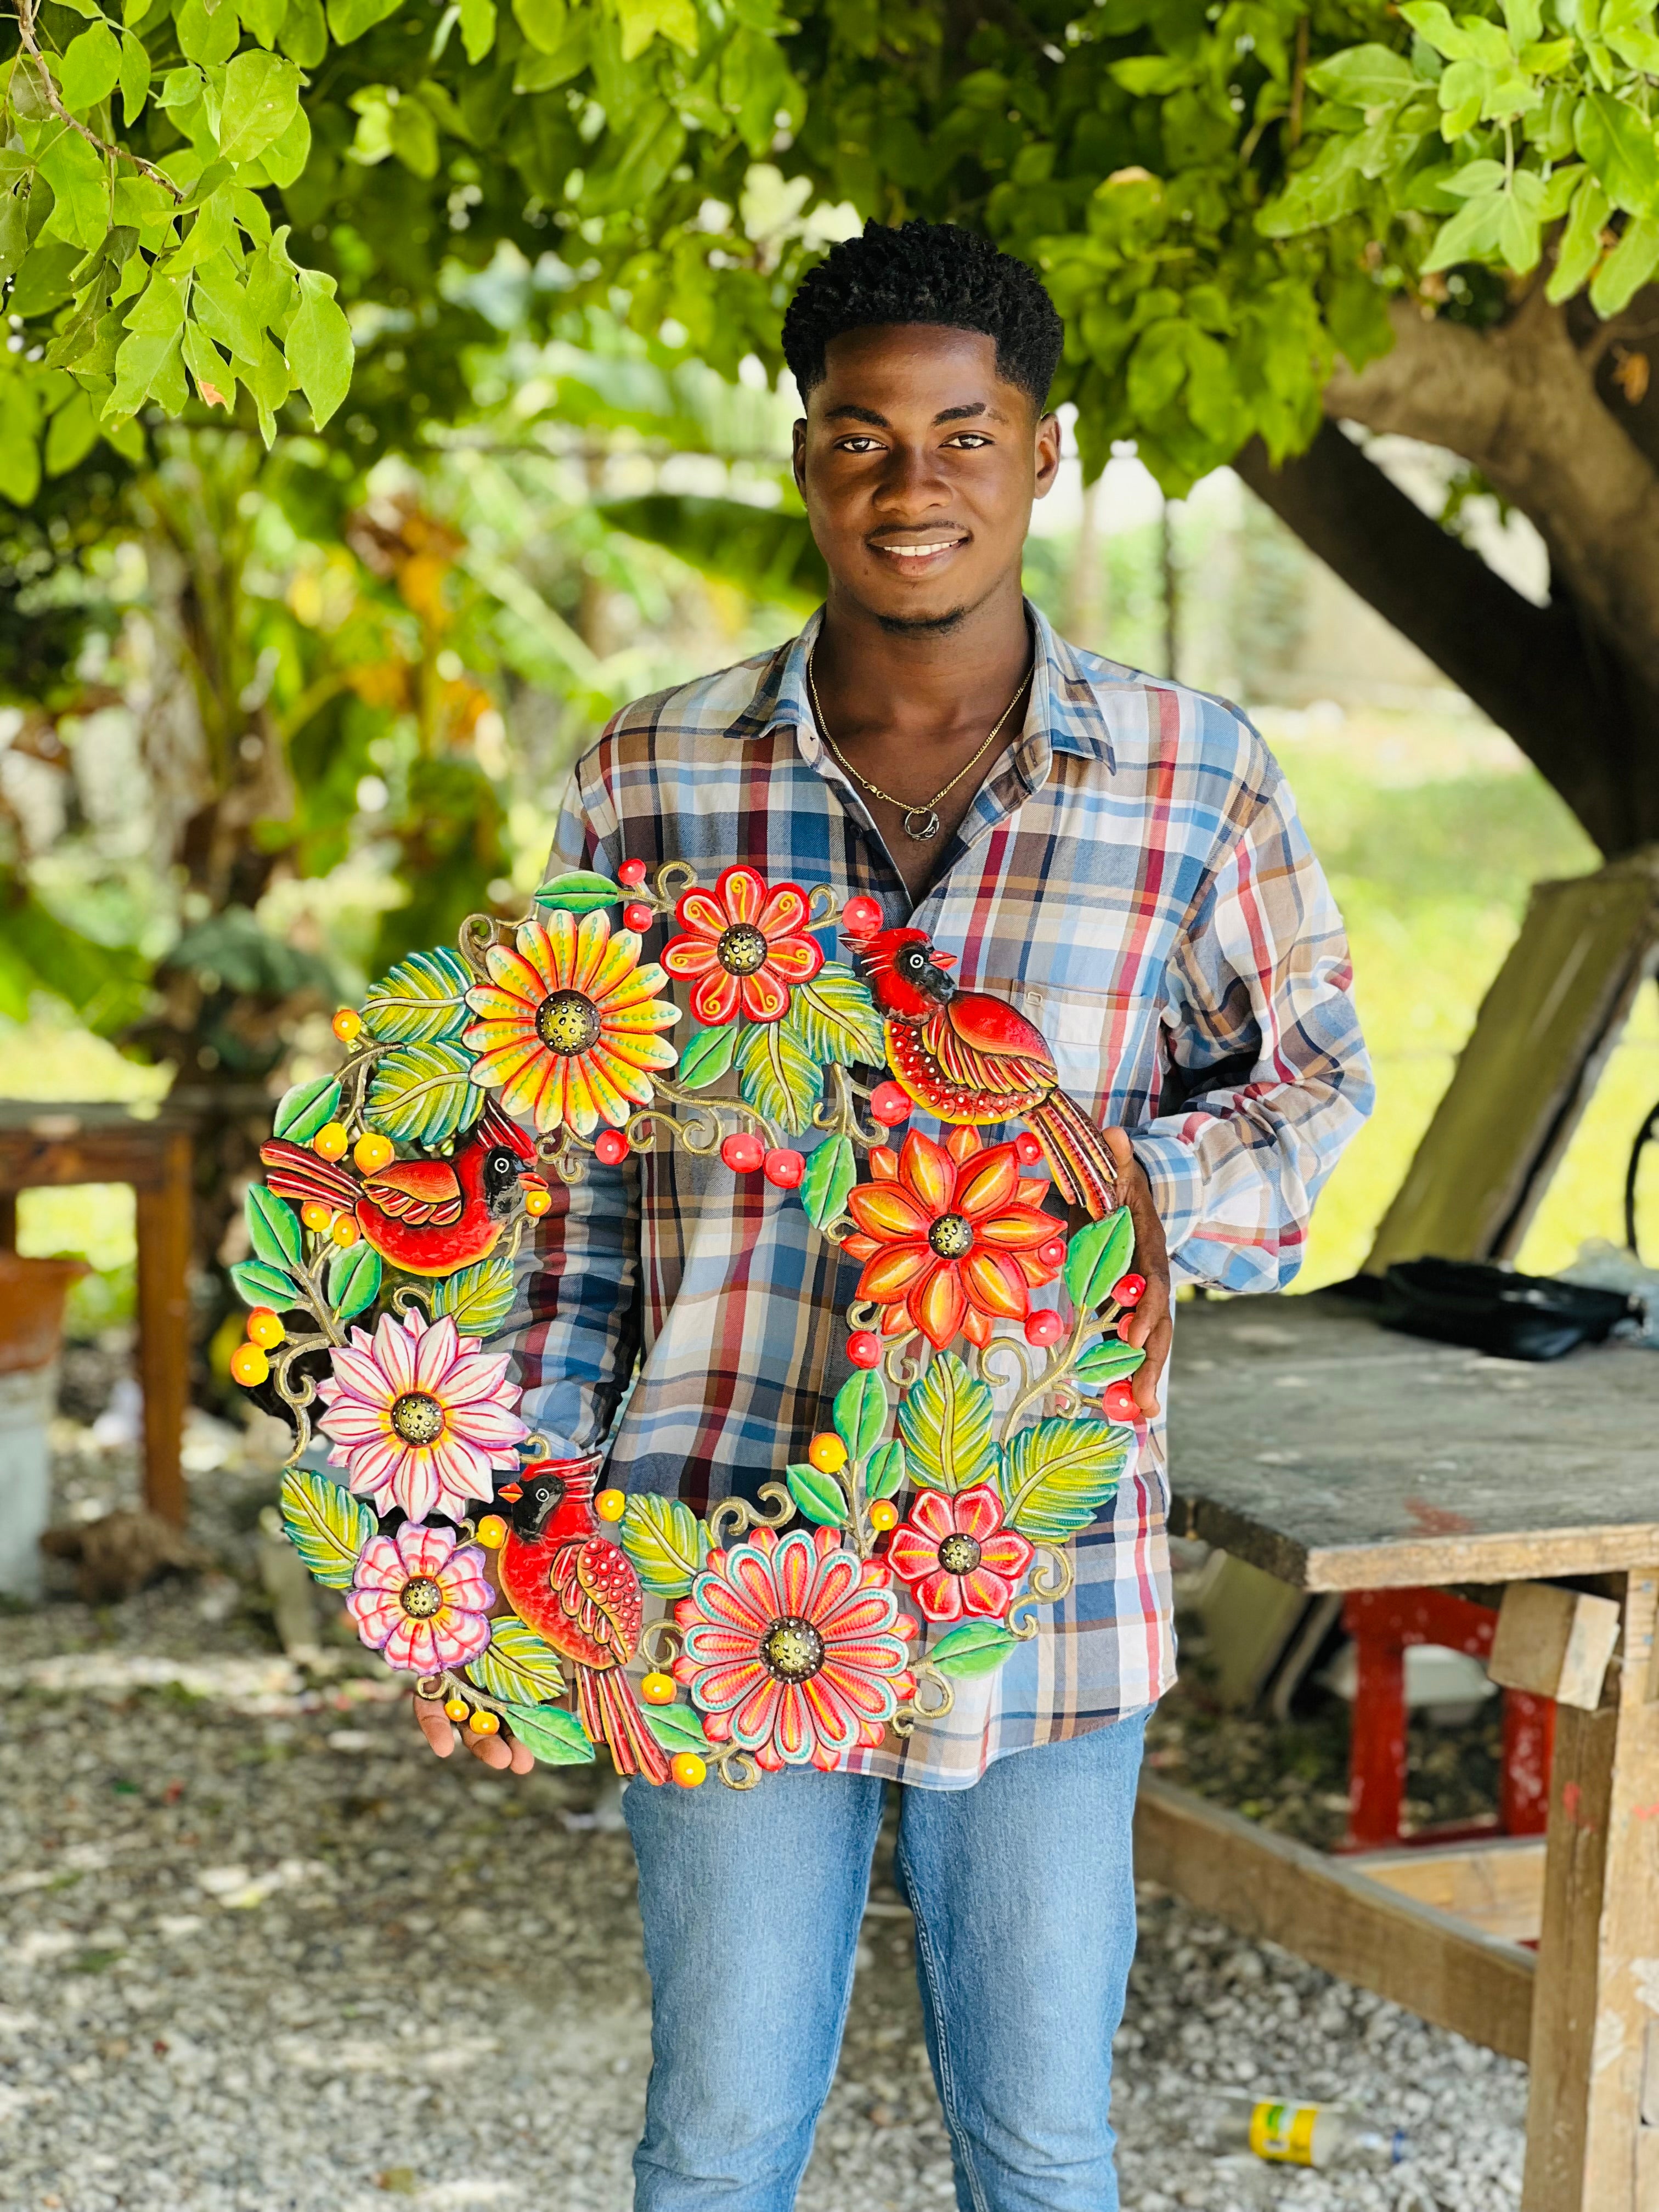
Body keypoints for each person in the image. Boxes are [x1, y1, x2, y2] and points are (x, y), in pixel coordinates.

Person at [415, 218, 1373, 2211]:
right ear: (802, 460)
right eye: (862, 437)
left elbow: (1308, 1096)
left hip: (1036, 1577)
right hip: (701, 1558)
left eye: (963, 434)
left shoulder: (1194, 782)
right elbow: (573, 1195)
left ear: (1045, 453)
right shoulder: (652, 776)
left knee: (1039, 2145)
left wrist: (1111, 1191)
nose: (912, 484)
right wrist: (529, 1520)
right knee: (718, 2137)